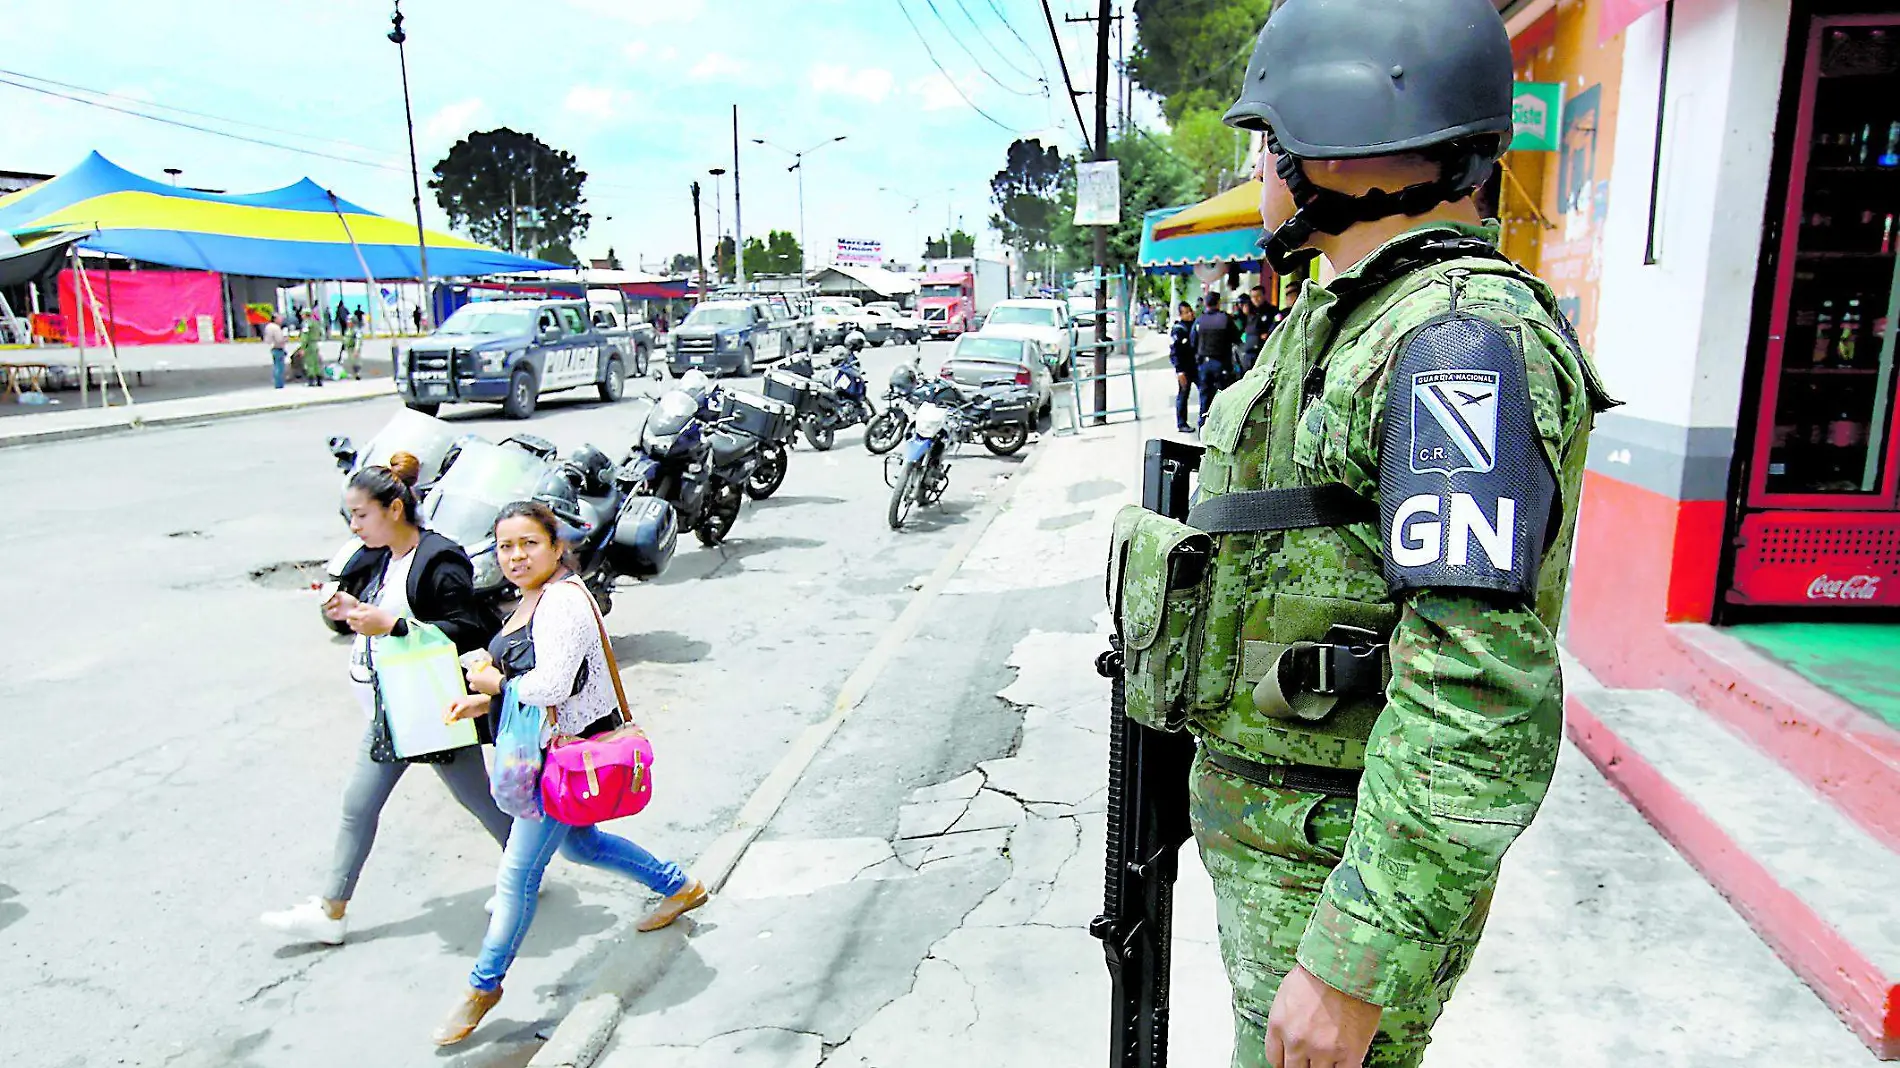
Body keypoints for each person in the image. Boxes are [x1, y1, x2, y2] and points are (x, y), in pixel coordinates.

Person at [1175, 1, 1617, 1065]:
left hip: (1332, 888)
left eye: (1271, 139)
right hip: (1291, 866)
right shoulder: (1358, 317)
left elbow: (1475, 693)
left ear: (1338, 140)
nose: (1263, 165)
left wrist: (1352, 965)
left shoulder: (1455, 341)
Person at [435, 501, 706, 1046]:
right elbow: (533, 678)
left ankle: (482, 985)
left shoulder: (561, 603)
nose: (515, 556)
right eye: (505, 546)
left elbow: (554, 685)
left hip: (566, 757)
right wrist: (482, 703)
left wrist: (496, 686)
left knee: (517, 876)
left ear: (557, 546)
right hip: (549, 754)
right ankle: (682, 886)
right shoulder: (535, 594)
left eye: (529, 544)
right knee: (582, 847)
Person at [260, 455, 511, 947]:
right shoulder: (373, 556)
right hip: (390, 705)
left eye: (361, 514)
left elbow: (466, 627)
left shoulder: (440, 558)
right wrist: (346, 610)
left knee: (476, 796)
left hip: (431, 704)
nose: (354, 526)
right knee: (359, 804)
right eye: (349, 516)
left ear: (394, 508)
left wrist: (395, 626)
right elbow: (357, 606)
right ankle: (331, 909)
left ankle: (524, 868)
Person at [1188, 291, 1241, 429]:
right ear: (1218, 303)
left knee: (1205, 397)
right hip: (1221, 364)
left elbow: (1193, 341)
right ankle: (1222, 427)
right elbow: (1236, 338)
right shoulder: (1225, 319)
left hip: (1204, 365)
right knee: (1223, 397)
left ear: (1206, 304)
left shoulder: (1200, 320)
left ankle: (1203, 426)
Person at [1169, 301, 1198, 433]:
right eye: (1186, 312)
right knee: (1183, 394)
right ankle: (1181, 423)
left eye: (1190, 311)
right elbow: (1175, 352)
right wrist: (1179, 371)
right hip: (1185, 369)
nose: (1190, 314)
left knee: (1206, 392)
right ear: (1181, 315)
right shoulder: (1178, 330)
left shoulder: (1196, 324)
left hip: (1197, 366)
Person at [262, 313, 289, 389]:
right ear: (275, 319)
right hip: (278, 348)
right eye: (280, 318)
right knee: (279, 367)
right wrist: (285, 338)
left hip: (272, 347)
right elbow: (279, 339)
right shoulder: (276, 328)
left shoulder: (268, 327)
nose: (281, 320)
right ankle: (279, 383)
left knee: (276, 366)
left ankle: (276, 382)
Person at [298, 312, 324, 387]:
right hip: (315, 344)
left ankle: (311, 380)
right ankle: (319, 380)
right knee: (316, 363)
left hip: (308, 345)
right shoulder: (315, 323)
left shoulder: (306, 324)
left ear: (305, 315)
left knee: (310, 363)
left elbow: (304, 337)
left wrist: (302, 348)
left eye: (302, 314)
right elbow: (320, 333)